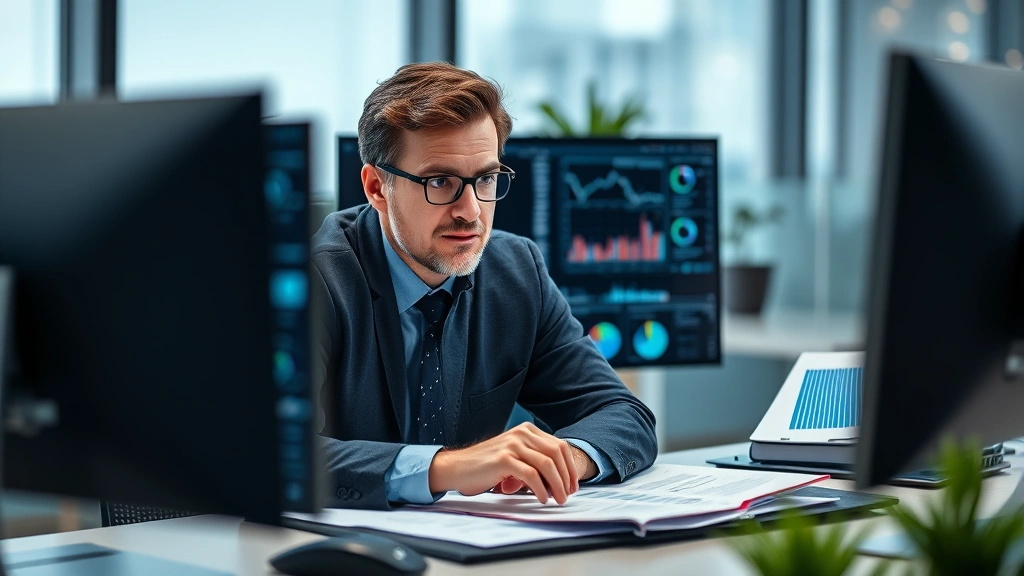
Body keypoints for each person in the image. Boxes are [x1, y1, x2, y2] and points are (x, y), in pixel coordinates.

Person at [312, 62, 657, 511]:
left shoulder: (516, 271)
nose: (471, 211)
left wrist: (560, 459)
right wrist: (448, 468)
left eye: (486, 179)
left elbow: (624, 416)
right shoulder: (315, 281)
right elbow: (272, 452)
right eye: (441, 182)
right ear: (378, 187)